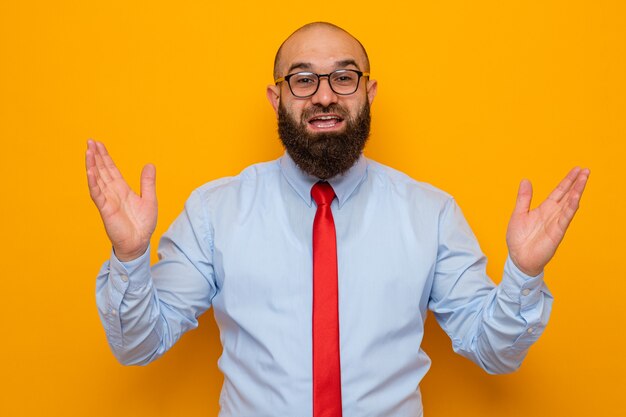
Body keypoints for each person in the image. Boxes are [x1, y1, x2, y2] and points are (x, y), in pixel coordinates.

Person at [86, 22, 589, 417]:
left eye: (343, 77)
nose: (324, 95)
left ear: (368, 93)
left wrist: (523, 275)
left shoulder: (430, 213)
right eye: (303, 79)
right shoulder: (216, 211)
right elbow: (138, 346)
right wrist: (130, 257)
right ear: (276, 97)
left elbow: (494, 353)